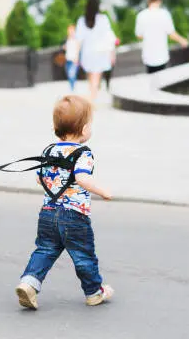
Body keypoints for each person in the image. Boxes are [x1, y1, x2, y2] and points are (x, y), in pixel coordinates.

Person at [15, 95, 114, 310]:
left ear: (55, 127)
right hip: (74, 215)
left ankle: (29, 283)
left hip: (48, 212)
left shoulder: (48, 151)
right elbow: (82, 178)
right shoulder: (83, 154)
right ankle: (94, 292)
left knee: (44, 249)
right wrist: (104, 191)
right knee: (83, 255)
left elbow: (39, 178)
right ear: (86, 129)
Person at [135, 0, 188, 74]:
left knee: (151, 78)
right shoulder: (165, 14)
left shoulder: (141, 15)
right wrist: (182, 40)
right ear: (160, 0)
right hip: (161, 55)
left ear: (149, 0)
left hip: (148, 55)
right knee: (161, 78)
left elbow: (139, 36)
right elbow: (171, 34)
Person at [75, 0, 117, 101]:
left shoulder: (81, 20)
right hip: (100, 52)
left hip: (87, 53)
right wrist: (112, 53)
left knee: (91, 77)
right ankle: (92, 99)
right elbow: (109, 38)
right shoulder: (103, 19)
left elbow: (78, 40)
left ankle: (91, 97)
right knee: (96, 77)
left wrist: (76, 55)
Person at [63, 24, 80, 91]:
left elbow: (78, 48)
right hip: (68, 59)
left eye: (71, 30)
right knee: (68, 73)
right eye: (69, 30)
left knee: (72, 74)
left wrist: (76, 58)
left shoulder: (76, 39)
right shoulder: (67, 39)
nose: (70, 32)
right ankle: (71, 87)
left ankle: (73, 88)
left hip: (74, 59)